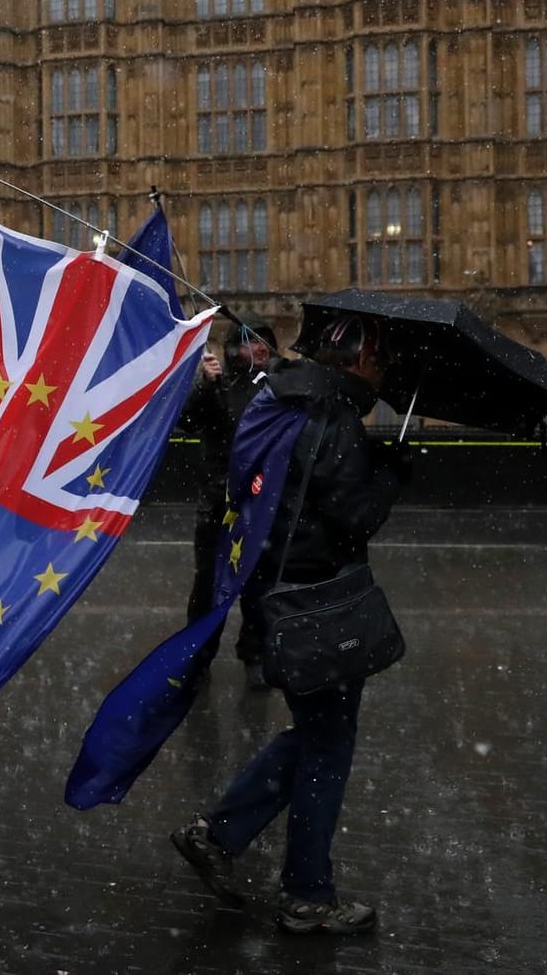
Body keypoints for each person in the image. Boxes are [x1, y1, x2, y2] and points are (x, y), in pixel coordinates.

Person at [171, 316, 410, 935]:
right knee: (328, 746)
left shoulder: (280, 397)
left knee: (313, 734)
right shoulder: (332, 418)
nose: (383, 374)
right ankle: (306, 893)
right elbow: (355, 516)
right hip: (320, 600)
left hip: (278, 589)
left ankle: (218, 835)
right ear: (356, 360)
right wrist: (392, 473)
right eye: (379, 362)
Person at [179, 322, 277, 690]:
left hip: (261, 502)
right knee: (208, 586)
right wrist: (206, 385)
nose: (263, 348)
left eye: (267, 342)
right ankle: (198, 657)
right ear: (236, 349)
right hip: (218, 502)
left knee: (256, 586)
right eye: (254, 342)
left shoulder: (276, 386)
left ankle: (253, 655)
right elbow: (187, 421)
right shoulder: (218, 386)